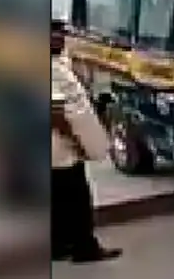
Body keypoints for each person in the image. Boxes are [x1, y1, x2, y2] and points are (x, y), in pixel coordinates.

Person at [51, 19, 122, 263]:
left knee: (58, 198)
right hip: (61, 147)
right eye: (54, 34)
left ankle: (59, 245)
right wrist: (78, 142)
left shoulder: (57, 62)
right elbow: (55, 113)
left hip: (58, 148)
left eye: (62, 33)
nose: (60, 38)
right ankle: (84, 247)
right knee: (77, 199)